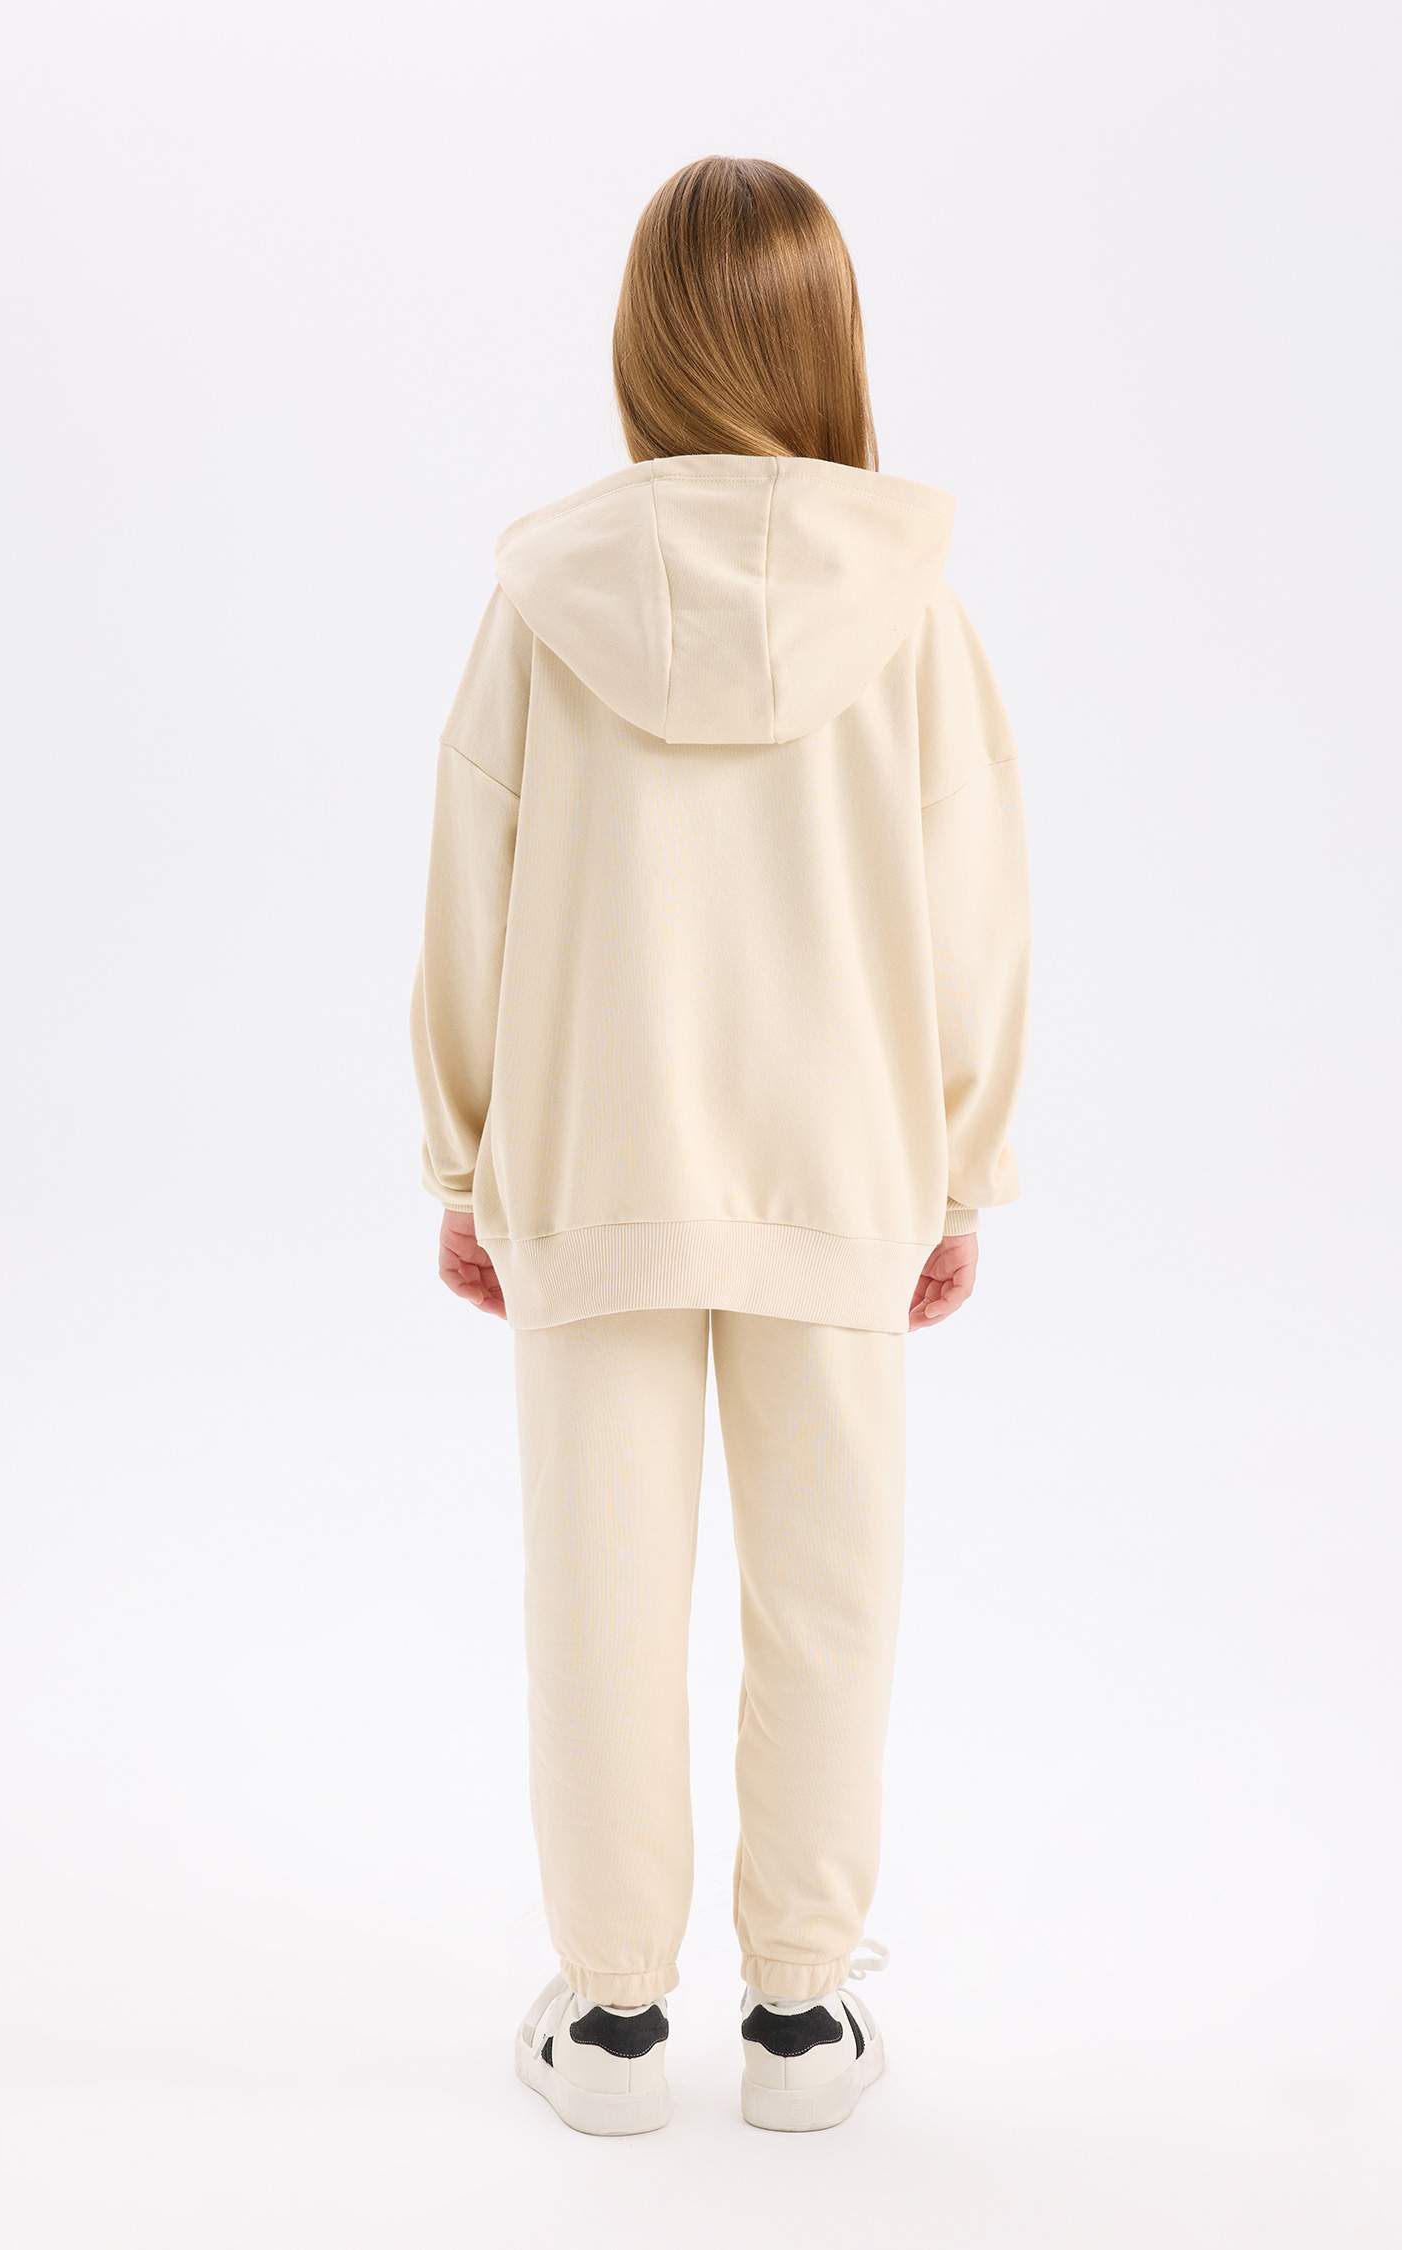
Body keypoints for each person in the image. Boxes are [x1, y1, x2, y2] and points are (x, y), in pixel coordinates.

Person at [411, 154, 1029, 2135]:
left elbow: (472, 884)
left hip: (595, 1153)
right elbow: (973, 908)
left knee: (598, 1593)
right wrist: (960, 1171)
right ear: (828, 336)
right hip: (841, 1165)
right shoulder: (914, 609)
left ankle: (610, 2028)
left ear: (645, 339)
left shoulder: (545, 599)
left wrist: (465, 1157)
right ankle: (796, 2020)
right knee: (827, 1597)